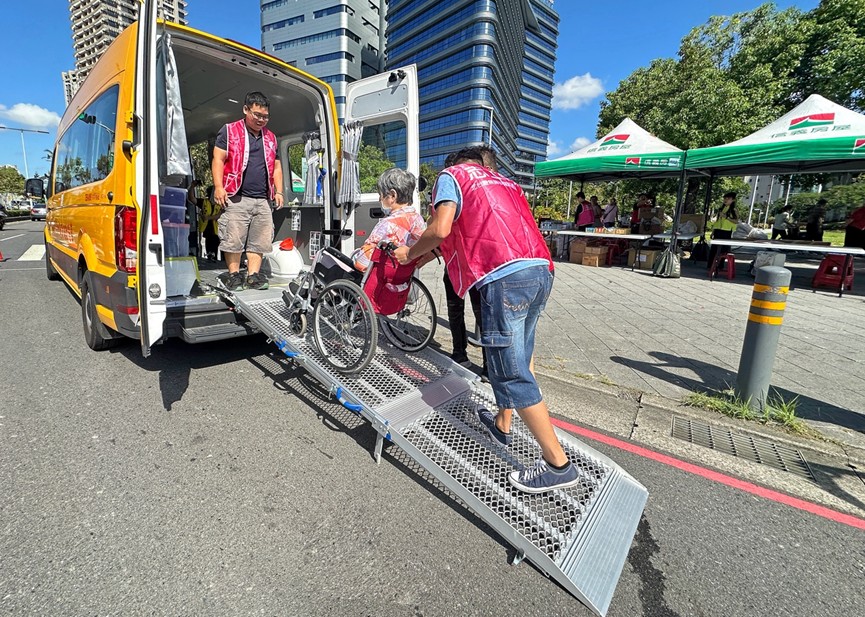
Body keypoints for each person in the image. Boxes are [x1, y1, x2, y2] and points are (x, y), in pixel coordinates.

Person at [394, 146, 580, 494]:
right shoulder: (505, 183)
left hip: (504, 276)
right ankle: (502, 423)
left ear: (454, 165)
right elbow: (469, 232)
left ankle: (558, 465)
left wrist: (407, 253)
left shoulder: (452, 176)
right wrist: (421, 258)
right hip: (539, 270)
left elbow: (441, 228)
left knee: (509, 370)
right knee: (520, 356)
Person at [211, 91, 284, 291]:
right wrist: (218, 187)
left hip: (262, 199)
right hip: (236, 196)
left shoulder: (271, 138)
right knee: (233, 238)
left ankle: (253, 276)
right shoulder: (229, 131)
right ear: (246, 110)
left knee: (259, 241)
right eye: (257, 115)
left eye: (265, 116)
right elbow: (218, 159)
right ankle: (234, 276)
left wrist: (279, 191)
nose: (261, 120)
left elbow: (277, 167)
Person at [350, 167, 425, 272]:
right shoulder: (418, 219)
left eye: (381, 195)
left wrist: (354, 255)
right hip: (403, 279)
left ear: (393, 195)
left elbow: (362, 263)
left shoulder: (388, 224)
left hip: (380, 281)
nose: (379, 199)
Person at [707, 191, 738, 270]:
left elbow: (736, 221)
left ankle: (720, 265)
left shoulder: (734, 209)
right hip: (718, 230)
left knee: (723, 250)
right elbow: (717, 221)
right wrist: (713, 231)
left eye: (728, 198)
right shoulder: (721, 208)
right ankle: (711, 265)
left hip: (726, 231)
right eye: (725, 198)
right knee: (714, 249)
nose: (726, 200)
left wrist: (726, 217)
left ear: (733, 200)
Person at [198, 186, 221, 262]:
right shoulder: (204, 202)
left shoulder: (220, 203)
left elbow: (220, 214)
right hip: (207, 229)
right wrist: (192, 186)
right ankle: (210, 256)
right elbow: (192, 199)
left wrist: (208, 218)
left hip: (218, 229)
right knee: (209, 242)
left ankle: (214, 257)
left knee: (216, 242)